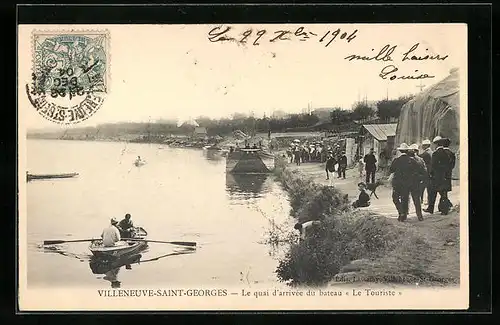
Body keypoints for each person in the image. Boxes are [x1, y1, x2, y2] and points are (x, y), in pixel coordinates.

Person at [389, 143, 424, 221]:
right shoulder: (412, 160)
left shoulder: (396, 160)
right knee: (413, 199)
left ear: (400, 151)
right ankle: (419, 216)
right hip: (411, 182)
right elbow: (418, 170)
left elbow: (391, 170)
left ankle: (402, 214)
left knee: (399, 198)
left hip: (399, 183)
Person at [425, 136, 455, 215]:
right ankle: (443, 208)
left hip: (437, 177)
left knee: (433, 192)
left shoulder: (436, 153)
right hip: (446, 176)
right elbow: (452, 165)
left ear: (437, 145)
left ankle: (438, 208)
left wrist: (431, 174)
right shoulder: (449, 153)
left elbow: (433, 166)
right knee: (443, 193)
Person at [408, 143, 428, 220]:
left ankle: (405, 213)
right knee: (417, 199)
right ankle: (420, 216)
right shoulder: (421, 160)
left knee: (407, 198)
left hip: (408, 181)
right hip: (417, 182)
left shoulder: (408, 160)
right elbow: (425, 172)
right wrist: (421, 179)